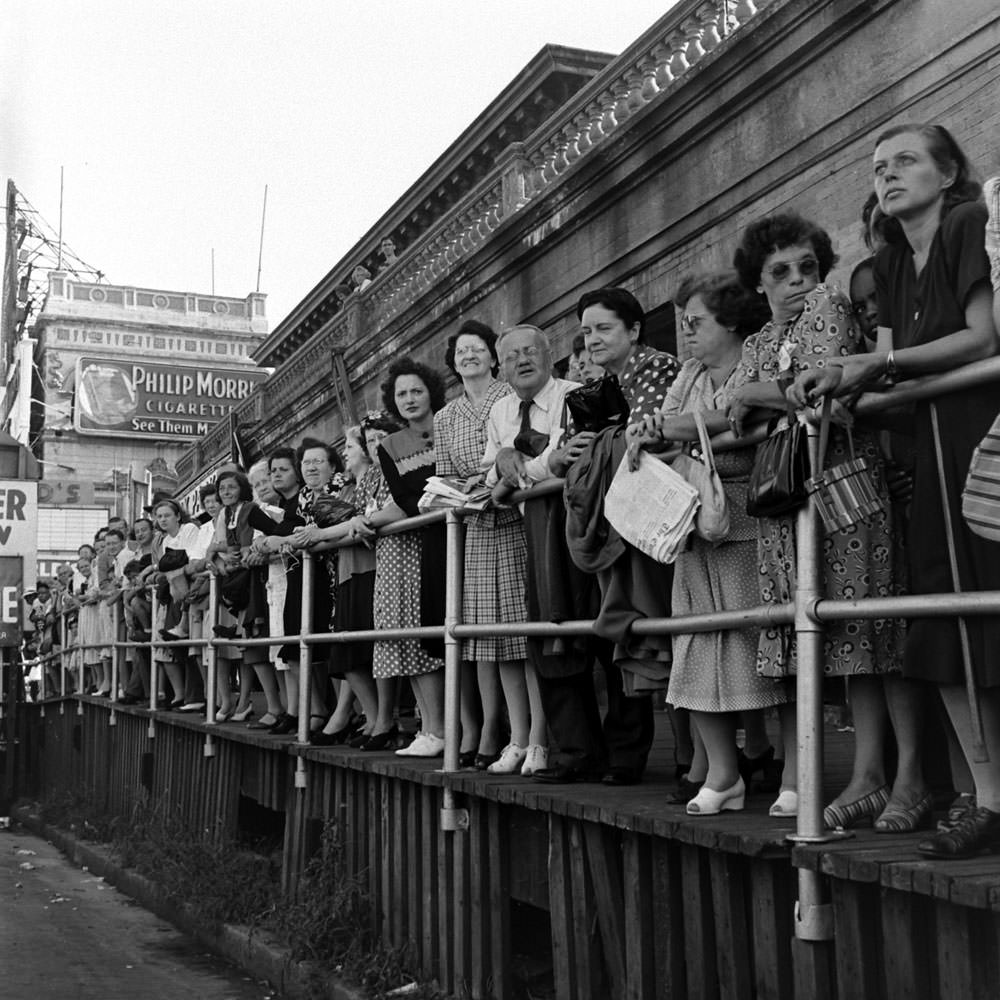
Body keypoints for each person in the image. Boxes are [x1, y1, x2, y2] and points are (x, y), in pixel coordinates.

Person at [792, 124, 1000, 855]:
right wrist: (846, 378)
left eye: (906, 161)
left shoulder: (968, 223)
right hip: (929, 451)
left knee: (986, 603)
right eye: (878, 167)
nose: (888, 175)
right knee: (941, 622)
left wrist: (873, 370)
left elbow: (982, 337)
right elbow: (885, 360)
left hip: (981, 440)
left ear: (948, 173)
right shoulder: (889, 262)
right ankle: (986, 795)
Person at [724, 210, 905, 821]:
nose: (798, 279)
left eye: (806, 266)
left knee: (858, 630)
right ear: (760, 282)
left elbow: (806, 387)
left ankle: (869, 775)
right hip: (787, 501)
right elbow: (733, 413)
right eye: (781, 271)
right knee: (802, 629)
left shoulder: (828, 305)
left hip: (842, 487)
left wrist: (751, 394)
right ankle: (820, 778)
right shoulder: (755, 343)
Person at [632, 272, 786, 815]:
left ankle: (788, 769)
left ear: (731, 322)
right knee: (695, 647)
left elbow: (740, 420)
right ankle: (724, 774)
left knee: (764, 646)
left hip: (749, 517)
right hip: (693, 525)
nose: (687, 332)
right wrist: (676, 433)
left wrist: (677, 432)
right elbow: (659, 429)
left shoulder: (759, 359)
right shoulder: (691, 371)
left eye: (696, 322)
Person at [554, 287, 681, 787]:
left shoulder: (654, 367)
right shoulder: (605, 382)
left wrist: (594, 443)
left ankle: (696, 763)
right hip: (627, 523)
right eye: (587, 330)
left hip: (656, 524)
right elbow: (569, 446)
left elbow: (641, 434)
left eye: (603, 328)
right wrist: (574, 447)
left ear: (633, 329)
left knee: (666, 633)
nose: (592, 339)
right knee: (644, 635)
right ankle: (684, 762)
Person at [482, 324, 599, 782]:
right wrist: (505, 466)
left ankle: (621, 756)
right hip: (533, 532)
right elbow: (491, 480)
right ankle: (574, 751)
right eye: (512, 356)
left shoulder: (576, 396)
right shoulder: (500, 412)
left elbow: (565, 460)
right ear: (502, 367)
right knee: (547, 633)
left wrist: (518, 468)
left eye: (531, 351)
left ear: (550, 356)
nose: (523, 360)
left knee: (598, 633)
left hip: (584, 520)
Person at [436, 319, 547, 774]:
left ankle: (538, 735)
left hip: (517, 518)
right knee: (487, 636)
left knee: (526, 631)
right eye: (461, 351)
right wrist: (460, 489)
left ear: (493, 356)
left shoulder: (511, 397)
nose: (469, 356)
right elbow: (443, 474)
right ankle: (513, 737)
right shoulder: (445, 416)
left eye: (476, 348)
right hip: (479, 526)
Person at [360, 358, 447, 757]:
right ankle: (432, 729)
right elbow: (406, 499)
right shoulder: (389, 447)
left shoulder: (450, 424)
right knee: (417, 637)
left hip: (455, 535)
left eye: (416, 390)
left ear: (430, 390)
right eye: (401, 394)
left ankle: (451, 729)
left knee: (448, 637)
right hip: (426, 537)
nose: (410, 399)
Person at [302, 426, 381, 746]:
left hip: (362, 568)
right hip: (340, 571)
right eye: (305, 462)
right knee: (344, 648)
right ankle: (363, 715)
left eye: (350, 446)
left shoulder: (351, 485)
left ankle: (368, 716)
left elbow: (359, 519)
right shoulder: (340, 487)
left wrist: (320, 533)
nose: (310, 468)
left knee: (356, 647)